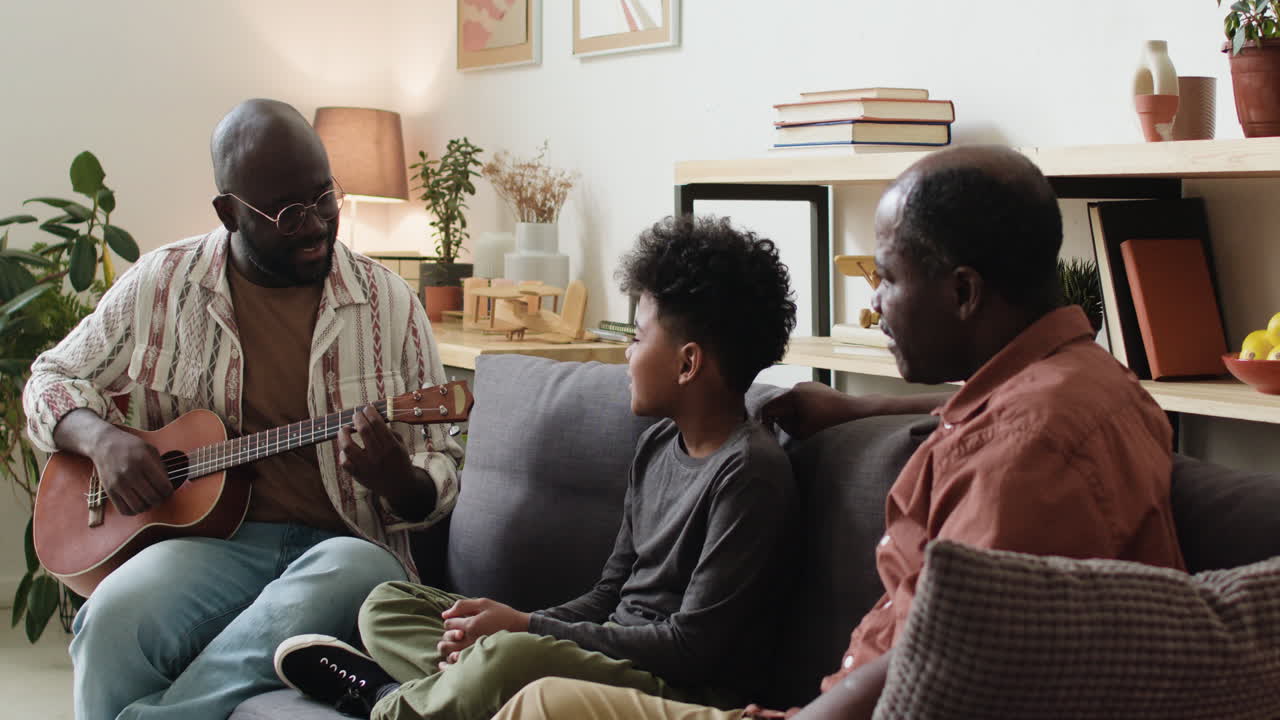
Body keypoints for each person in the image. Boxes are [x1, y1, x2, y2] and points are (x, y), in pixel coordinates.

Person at [484, 144, 1187, 720]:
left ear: (963, 293)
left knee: (542, 705)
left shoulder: (1026, 451)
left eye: (885, 277)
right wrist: (855, 409)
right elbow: (976, 413)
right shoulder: (1090, 384)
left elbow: (938, 663)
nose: (874, 306)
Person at [22, 98, 463, 720]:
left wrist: (402, 483)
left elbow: (440, 465)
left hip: (342, 546)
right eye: (286, 213)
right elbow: (52, 378)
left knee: (357, 569)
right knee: (112, 621)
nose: (313, 225)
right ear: (229, 212)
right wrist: (98, 439)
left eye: (323, 198)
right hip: (208, 545)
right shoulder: (163, 283)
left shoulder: (388, 303)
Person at [271, 214, 798, 720]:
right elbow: (607, 596)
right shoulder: (658, 444)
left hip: (670, 688)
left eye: (637, 337)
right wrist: (506, 624)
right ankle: (460, 691)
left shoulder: (748, 474)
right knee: (388, 605)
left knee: (508, 658)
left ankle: (384, 700)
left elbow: (690, 649)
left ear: (687, 363)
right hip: (601, 654)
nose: (626, 354)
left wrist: (523, 630)